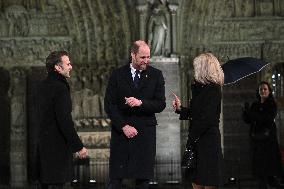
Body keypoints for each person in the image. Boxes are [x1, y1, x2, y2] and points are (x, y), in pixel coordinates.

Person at [104, 40, 166, 189]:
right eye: (142, 57)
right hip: (122, 134)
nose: (146, 61)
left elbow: (160, 104)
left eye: (148, 57)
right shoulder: (117, 75)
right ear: (133, 55)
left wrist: (141, 103)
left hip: (145, 135)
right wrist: (123, 126)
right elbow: (109, 104)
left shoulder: (156, 75)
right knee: (116, 181)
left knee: (143, 181)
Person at [36, 51, 88, 189]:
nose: (71, 66)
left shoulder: (41, 87)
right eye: (68, 64)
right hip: (57, 149)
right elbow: (64, 120)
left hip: (43, 148)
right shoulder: (60, 88)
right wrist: (78, 146)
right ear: (58, 68)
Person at [172, 52, 224, 189]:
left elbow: (206, 118)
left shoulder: (214, 89)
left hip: (208, 142)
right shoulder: (199, 89)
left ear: (204, 68)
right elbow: (196, 113)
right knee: (196, 181)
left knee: (208, 182)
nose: (194, 69)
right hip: (197, 142)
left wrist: (192, 137)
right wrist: (180, 109)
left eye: (197, 66)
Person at [242, 81, 283, 189]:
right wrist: (245, 112)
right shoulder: (255, 105)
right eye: (261, 89)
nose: (263, 91)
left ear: (269, 91)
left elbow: (266, 119)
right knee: (260, 170)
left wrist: (252, 114)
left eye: (265, 89)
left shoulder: (272, 104)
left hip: (268, 140)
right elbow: (249, 120)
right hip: (257, 139)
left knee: (267, 169)